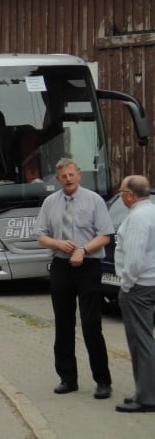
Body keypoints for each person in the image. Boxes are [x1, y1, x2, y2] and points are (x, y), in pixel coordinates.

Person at [35, 157, 114, 399]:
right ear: (57, 179)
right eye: (63, 176)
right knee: (63, 323)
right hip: (61, 266)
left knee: (91, 324)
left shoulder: (94, 200)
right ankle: (67, 378)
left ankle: (102, 381)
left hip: (88, 265)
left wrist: (83, 249)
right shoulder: (50, 202)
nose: (68, 180)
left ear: (79, 175)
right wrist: (57, 243)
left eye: (72, 175)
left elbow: (105, 235)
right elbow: (40, 235)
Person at [114, 174, 155, 412]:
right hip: (149, 282)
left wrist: (126, 285)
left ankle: (147, 397)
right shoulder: (151, 211)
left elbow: (135, 257)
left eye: (121, 192)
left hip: (139, 286)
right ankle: (144, 390)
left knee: (141, 342)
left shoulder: (138, 218)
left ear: (130, 195)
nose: (120, 196)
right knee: (144, 341)